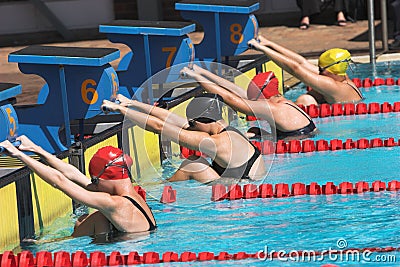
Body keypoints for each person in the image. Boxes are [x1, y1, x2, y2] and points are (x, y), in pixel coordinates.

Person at [0, 136, 156, 238]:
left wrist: (20, 156)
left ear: (105, 177)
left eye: (95, 180)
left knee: (94, 219)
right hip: (134, 248)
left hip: (121, 256)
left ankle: (53, 243)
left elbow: (59, 181)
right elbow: (72, 174)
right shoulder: (132, 196)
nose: (93, 184)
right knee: (95, 217)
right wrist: (35, 149)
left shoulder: (115, 204)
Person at [101, 93, 266, 184]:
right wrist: (130, 104)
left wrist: (121, 111)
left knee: (192, 164)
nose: (190, 125)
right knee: (194, 160)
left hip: (243, 195)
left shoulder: (215, 143)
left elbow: (160, 127)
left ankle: (157, 186)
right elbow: (169, 118)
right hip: (252, 190)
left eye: (193, 122)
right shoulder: (229, 131)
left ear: (203, 120)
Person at [179, 65, 317, 140]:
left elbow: (230, 99)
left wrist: (197, 78)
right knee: (253, 132)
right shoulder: (280, 101)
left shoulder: (273, 108)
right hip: (302, 136)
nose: (251, 101)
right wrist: (201, 71)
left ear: (261, 96)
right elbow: (235, 90)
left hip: (300, 142)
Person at [248, 35, 363, 106]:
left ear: (330, 70)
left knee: (306, 100)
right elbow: (302, 63)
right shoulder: (340, 77)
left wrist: (261, 49)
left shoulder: (331, 85)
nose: (319, 72)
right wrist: (268, 44)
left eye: (321, 69)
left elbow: (295, 69)